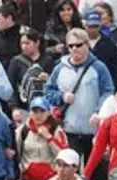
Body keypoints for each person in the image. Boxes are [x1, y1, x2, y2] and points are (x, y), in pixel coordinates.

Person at [42, 27, 113, 163]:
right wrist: (62, 96)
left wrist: (99, 112)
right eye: (71, 46)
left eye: (79, 45)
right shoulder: (59, 68)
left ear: (87, 45)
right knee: (70, 168)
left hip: (93, 131)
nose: (74, 48)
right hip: (68, 129)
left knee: (96, 173)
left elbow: (108, 92)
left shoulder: (99, 68)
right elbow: (48, 92)